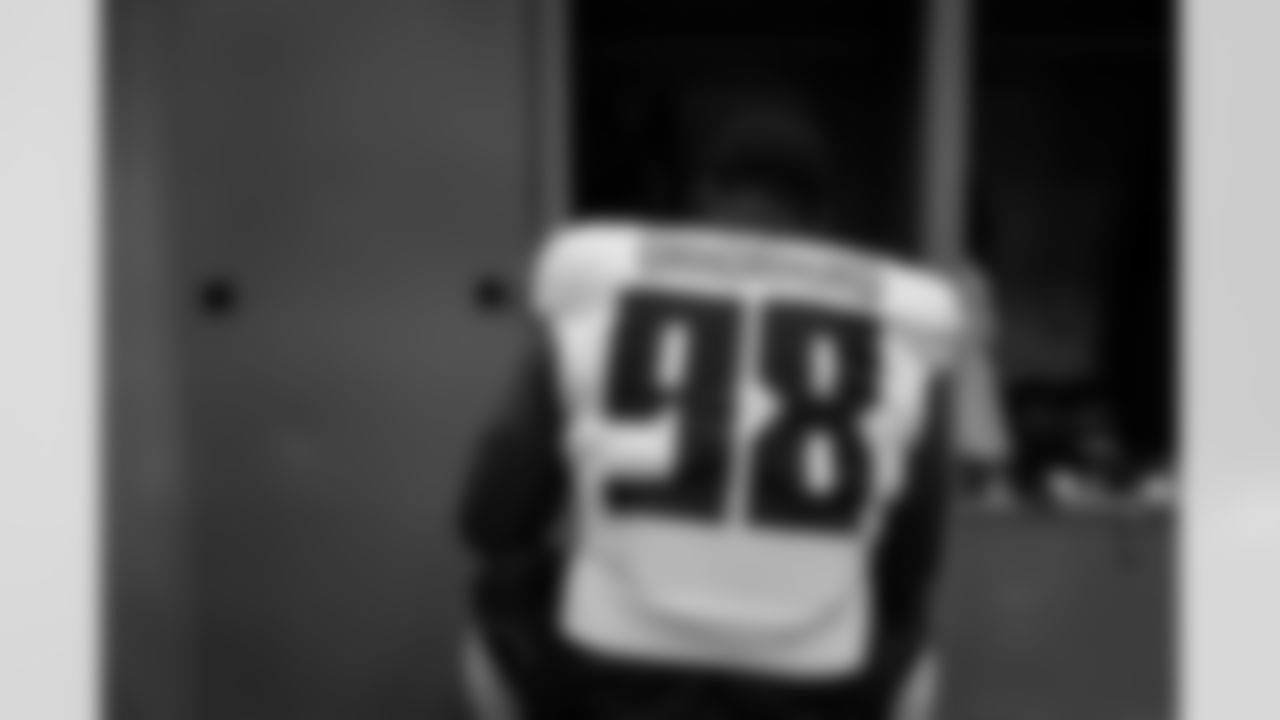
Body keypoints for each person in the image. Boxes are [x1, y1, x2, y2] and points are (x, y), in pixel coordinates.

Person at [457, 86, 969, 720]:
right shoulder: (908, 316)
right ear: (826, 221)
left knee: (504, 590)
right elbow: (916, 557)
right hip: (815, 694)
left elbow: (491, 519)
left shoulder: (595, 279)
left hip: (609, 681)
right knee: (903, 618)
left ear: (701, 196)